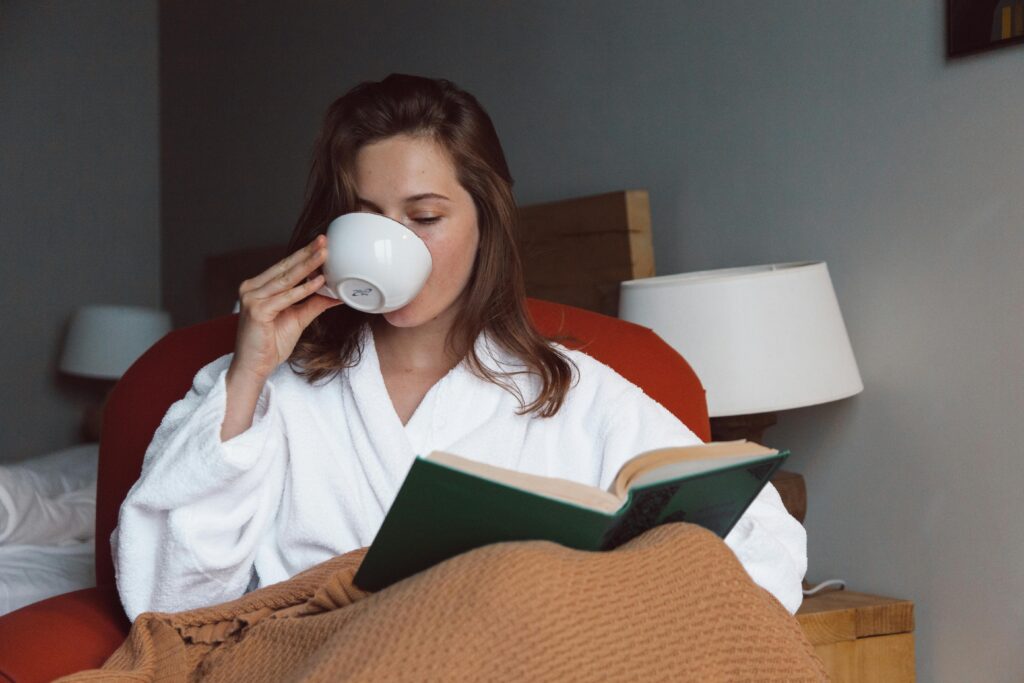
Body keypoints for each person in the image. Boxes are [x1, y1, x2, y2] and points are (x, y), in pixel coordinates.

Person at [111, 73, 806, 623]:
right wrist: (249, 373)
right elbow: (166, 600)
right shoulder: (267, 389)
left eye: (425, 216)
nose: (396, 245)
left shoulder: (573, 392)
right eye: (367, 218)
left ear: (485, 221)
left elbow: (764, 552)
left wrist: (571, 597)